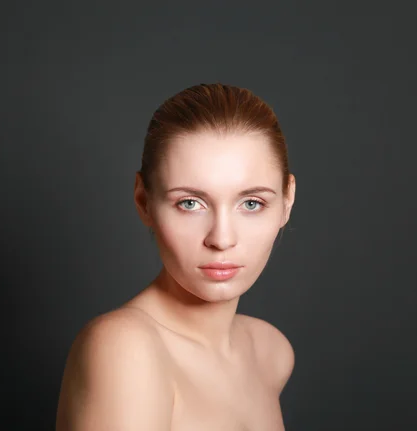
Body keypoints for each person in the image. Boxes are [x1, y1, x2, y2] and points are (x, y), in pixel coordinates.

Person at [55, 83, 297, 430]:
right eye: (190, 203)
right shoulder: (125, 349)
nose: (222, 238)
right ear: (144, 202)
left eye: (251, 203)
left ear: (286, 201)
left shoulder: (270, 353)